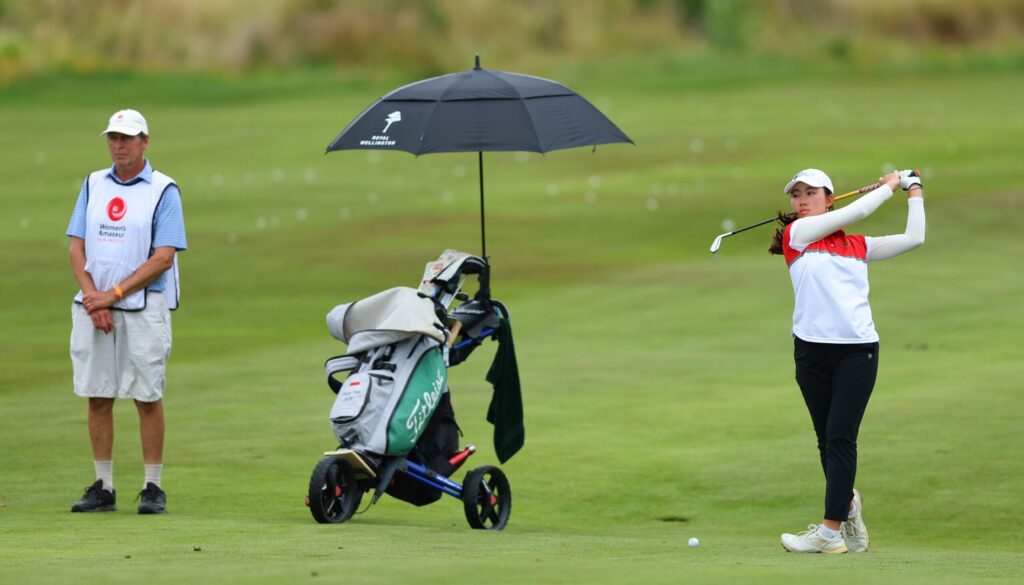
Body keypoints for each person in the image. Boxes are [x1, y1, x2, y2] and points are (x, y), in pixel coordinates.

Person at [770, 168, 925, 553]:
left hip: (858, 351)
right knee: (827, 440)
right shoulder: (797, 235)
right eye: (796, 195)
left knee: (841, 436)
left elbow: (914, 238)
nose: (801, 200)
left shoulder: (859, 246)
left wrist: (913, 189)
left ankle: (828, 533)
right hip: (811, 352)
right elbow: (855, 212)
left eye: (811, 193)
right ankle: (849, 504)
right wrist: (890, 186)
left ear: (828, 198)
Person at [67, 109, 186, 514]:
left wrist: (112, 295)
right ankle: (103, 487)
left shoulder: (164, 190)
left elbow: (163, 258)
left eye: (127, 138)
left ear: (144, 142)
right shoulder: (93, 184)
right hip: (94, 305)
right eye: (113, 138)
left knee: (146, 396)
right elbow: (76, 247)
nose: (119, 145)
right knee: (98, 394)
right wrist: (93, 298)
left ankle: (153, 487)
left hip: (143, 306)